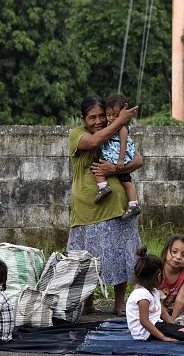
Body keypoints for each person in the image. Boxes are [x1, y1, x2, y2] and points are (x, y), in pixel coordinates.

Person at [67, 95, 142, 317]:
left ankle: (120, 303)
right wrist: (120, 121)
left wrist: (113, 170)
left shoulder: (114, 132)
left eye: (102, 116)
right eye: (92, 117)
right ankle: (87, 302)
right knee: (86, 259)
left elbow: (137, 160)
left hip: (117, 207)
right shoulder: (77, 135)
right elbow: (93, 142)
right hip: (87, 209)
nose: (98, 121)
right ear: (83, 119)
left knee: (120, 255)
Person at [93, 94, 141, 221]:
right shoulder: (109, 127)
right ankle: (103, 187)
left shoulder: (122, 128)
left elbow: (124, 144)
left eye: (116, 115)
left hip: (120, 159)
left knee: (127, 182)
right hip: (110, 157)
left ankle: (133, 204)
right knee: (98, 168)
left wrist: (120, 160)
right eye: (109, 115)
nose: (112, 118)